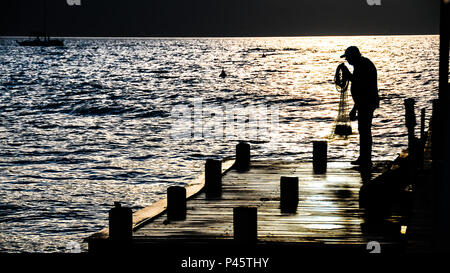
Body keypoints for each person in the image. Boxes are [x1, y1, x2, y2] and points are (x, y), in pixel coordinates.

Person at [338, 46, 379, 169]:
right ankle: (364, 158)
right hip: (364, 102)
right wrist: (355, 108)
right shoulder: (361, 64)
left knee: (365, 130)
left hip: (367, 102)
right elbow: (360, 87)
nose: (348, 61)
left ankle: (366, 160)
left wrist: (347, 75)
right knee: (363, 130)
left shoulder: (363, 65)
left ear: (353, 56)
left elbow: (362, 85)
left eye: (348, 58)